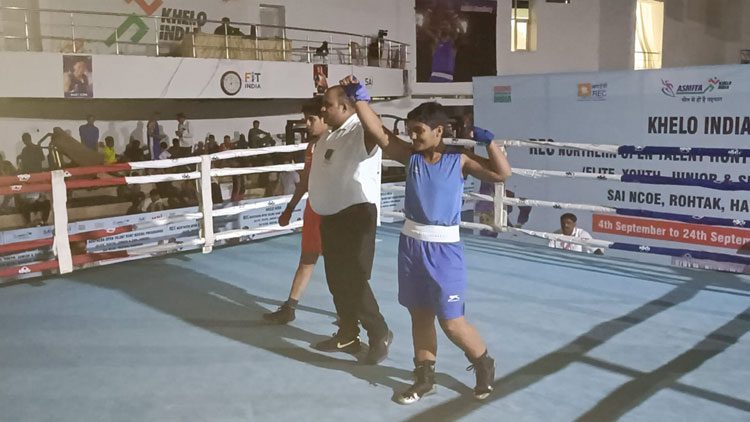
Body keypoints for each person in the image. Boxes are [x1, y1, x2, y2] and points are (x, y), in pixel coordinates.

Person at [347, 83, 512, 402]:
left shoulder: (460, 160)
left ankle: (483, 363)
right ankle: (424, 378)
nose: (413, 136)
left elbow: (502, 174)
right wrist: (360, 100)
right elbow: (379, 133)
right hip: (411, 247)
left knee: (452, 322)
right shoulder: (411, 158)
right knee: (420, 316)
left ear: (438, 131)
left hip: (445, 251)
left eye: (418, 131)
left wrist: (490, 144)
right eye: (410, 131)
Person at [307, 79, 392, 365]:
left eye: (328, 105)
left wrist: (362, 101)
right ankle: (347, 334)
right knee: (336, 280)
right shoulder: (330, 133)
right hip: (331, 216)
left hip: (356, 215)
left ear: (345, 107)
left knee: (354, 279)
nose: (322, 109)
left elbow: (378, 131)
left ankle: (379, 332)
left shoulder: (359, 129)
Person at [264, 96, 329, 324]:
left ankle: (353, 314)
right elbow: (305, 180)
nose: (307, 124)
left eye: (311, 119)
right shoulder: (312, 147)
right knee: (307, 259)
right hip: (314, 209)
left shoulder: (340, 143)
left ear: (325, 117)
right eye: (306, 120)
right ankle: (289, 307)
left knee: (339, 265)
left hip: (335, 211)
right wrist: (290, 208)